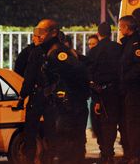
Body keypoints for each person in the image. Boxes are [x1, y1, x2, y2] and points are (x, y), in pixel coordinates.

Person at [17, 19, 89, 163]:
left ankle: (47, 159)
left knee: (54, 135)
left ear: (54, 33)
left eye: (40, 32)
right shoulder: (38, 51)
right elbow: (29, 76)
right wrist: (23, 94)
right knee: (36, 133)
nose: (36, 36)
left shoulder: (58, 52)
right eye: (36, 32)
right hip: (42, 97)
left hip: (56, 101)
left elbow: (78, 74)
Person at [88, 22, 121, 164]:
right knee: (112, 123)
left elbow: (90, 77)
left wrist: (95, 99)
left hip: (100, 92)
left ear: (98, 33)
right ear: (110, 33)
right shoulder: (118, 48)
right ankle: (109, 152)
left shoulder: (94, 52)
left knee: (100, 124)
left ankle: (105, 152)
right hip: (117, 92)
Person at [119, 15, 140, 163]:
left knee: (133, 123)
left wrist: (125, 79)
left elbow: (137, 67)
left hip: (135, 89)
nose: (119, 30)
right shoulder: (128, 42)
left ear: (127, 27)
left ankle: (135, 155)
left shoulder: (136, 44)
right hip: (129, 89)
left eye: (120, 27)